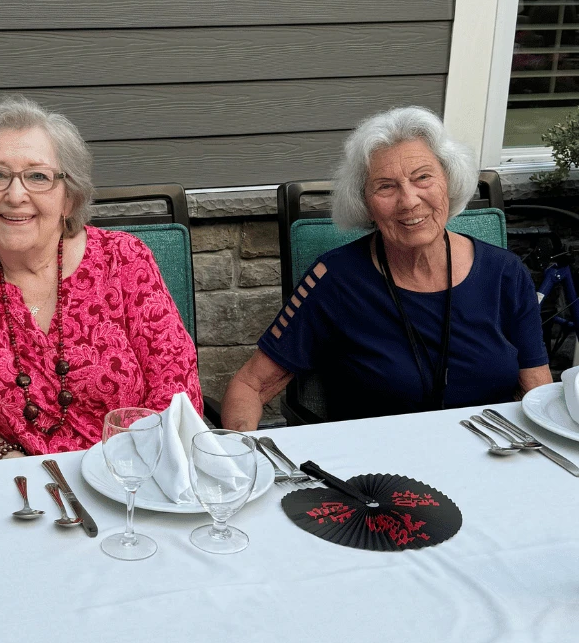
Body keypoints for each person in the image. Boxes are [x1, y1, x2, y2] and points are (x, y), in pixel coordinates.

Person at [0, 96, 202, 460]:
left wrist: (125, 471)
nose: (15, 195)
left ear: (69, 199)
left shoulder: (124, 260)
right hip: (13, 488)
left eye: (38, 177)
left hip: (128, 479)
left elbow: (177, 390)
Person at [221, 107, 551, 430]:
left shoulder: (505, 273)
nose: (409, 201)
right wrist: (239, 465)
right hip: (377, 473)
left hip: (488, 455)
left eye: (423, 177)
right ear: (365, 203)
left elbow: (536, 389)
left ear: (448, 183)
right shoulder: (333, 280)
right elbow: (252, 385)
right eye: (386, 186)